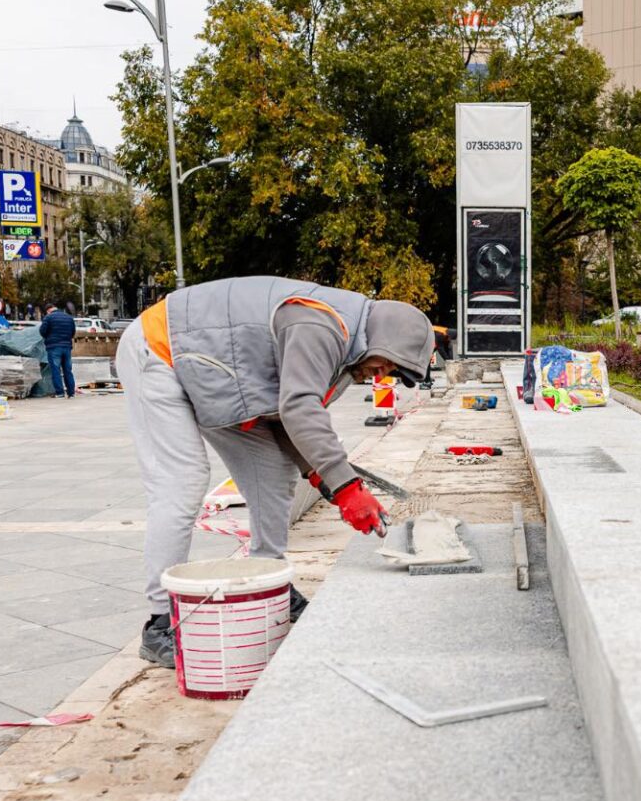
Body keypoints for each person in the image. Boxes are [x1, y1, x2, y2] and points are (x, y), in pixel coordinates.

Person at [117, 276, 433, 666]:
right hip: (162, 350)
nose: (382, 374)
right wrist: (347, 486)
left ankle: (268, 584)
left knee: (273, 475)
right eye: (389, 363)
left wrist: (322, 475)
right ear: (383, 338)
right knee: (182, 481)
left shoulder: (346, 345)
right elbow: (300, 406)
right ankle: (161, 621)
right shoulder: (322, 325)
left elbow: (285, 416)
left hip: (215, 371)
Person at [39, 303, 78, 398]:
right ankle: (71, 393)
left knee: (56, 370)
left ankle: (60, 393)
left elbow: (42, 331)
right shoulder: (69, 317)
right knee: (68, 370)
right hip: (67, 347)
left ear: (48, 311)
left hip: (54, 347)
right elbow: (73, 332)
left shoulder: (48, 318)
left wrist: (49, 337)